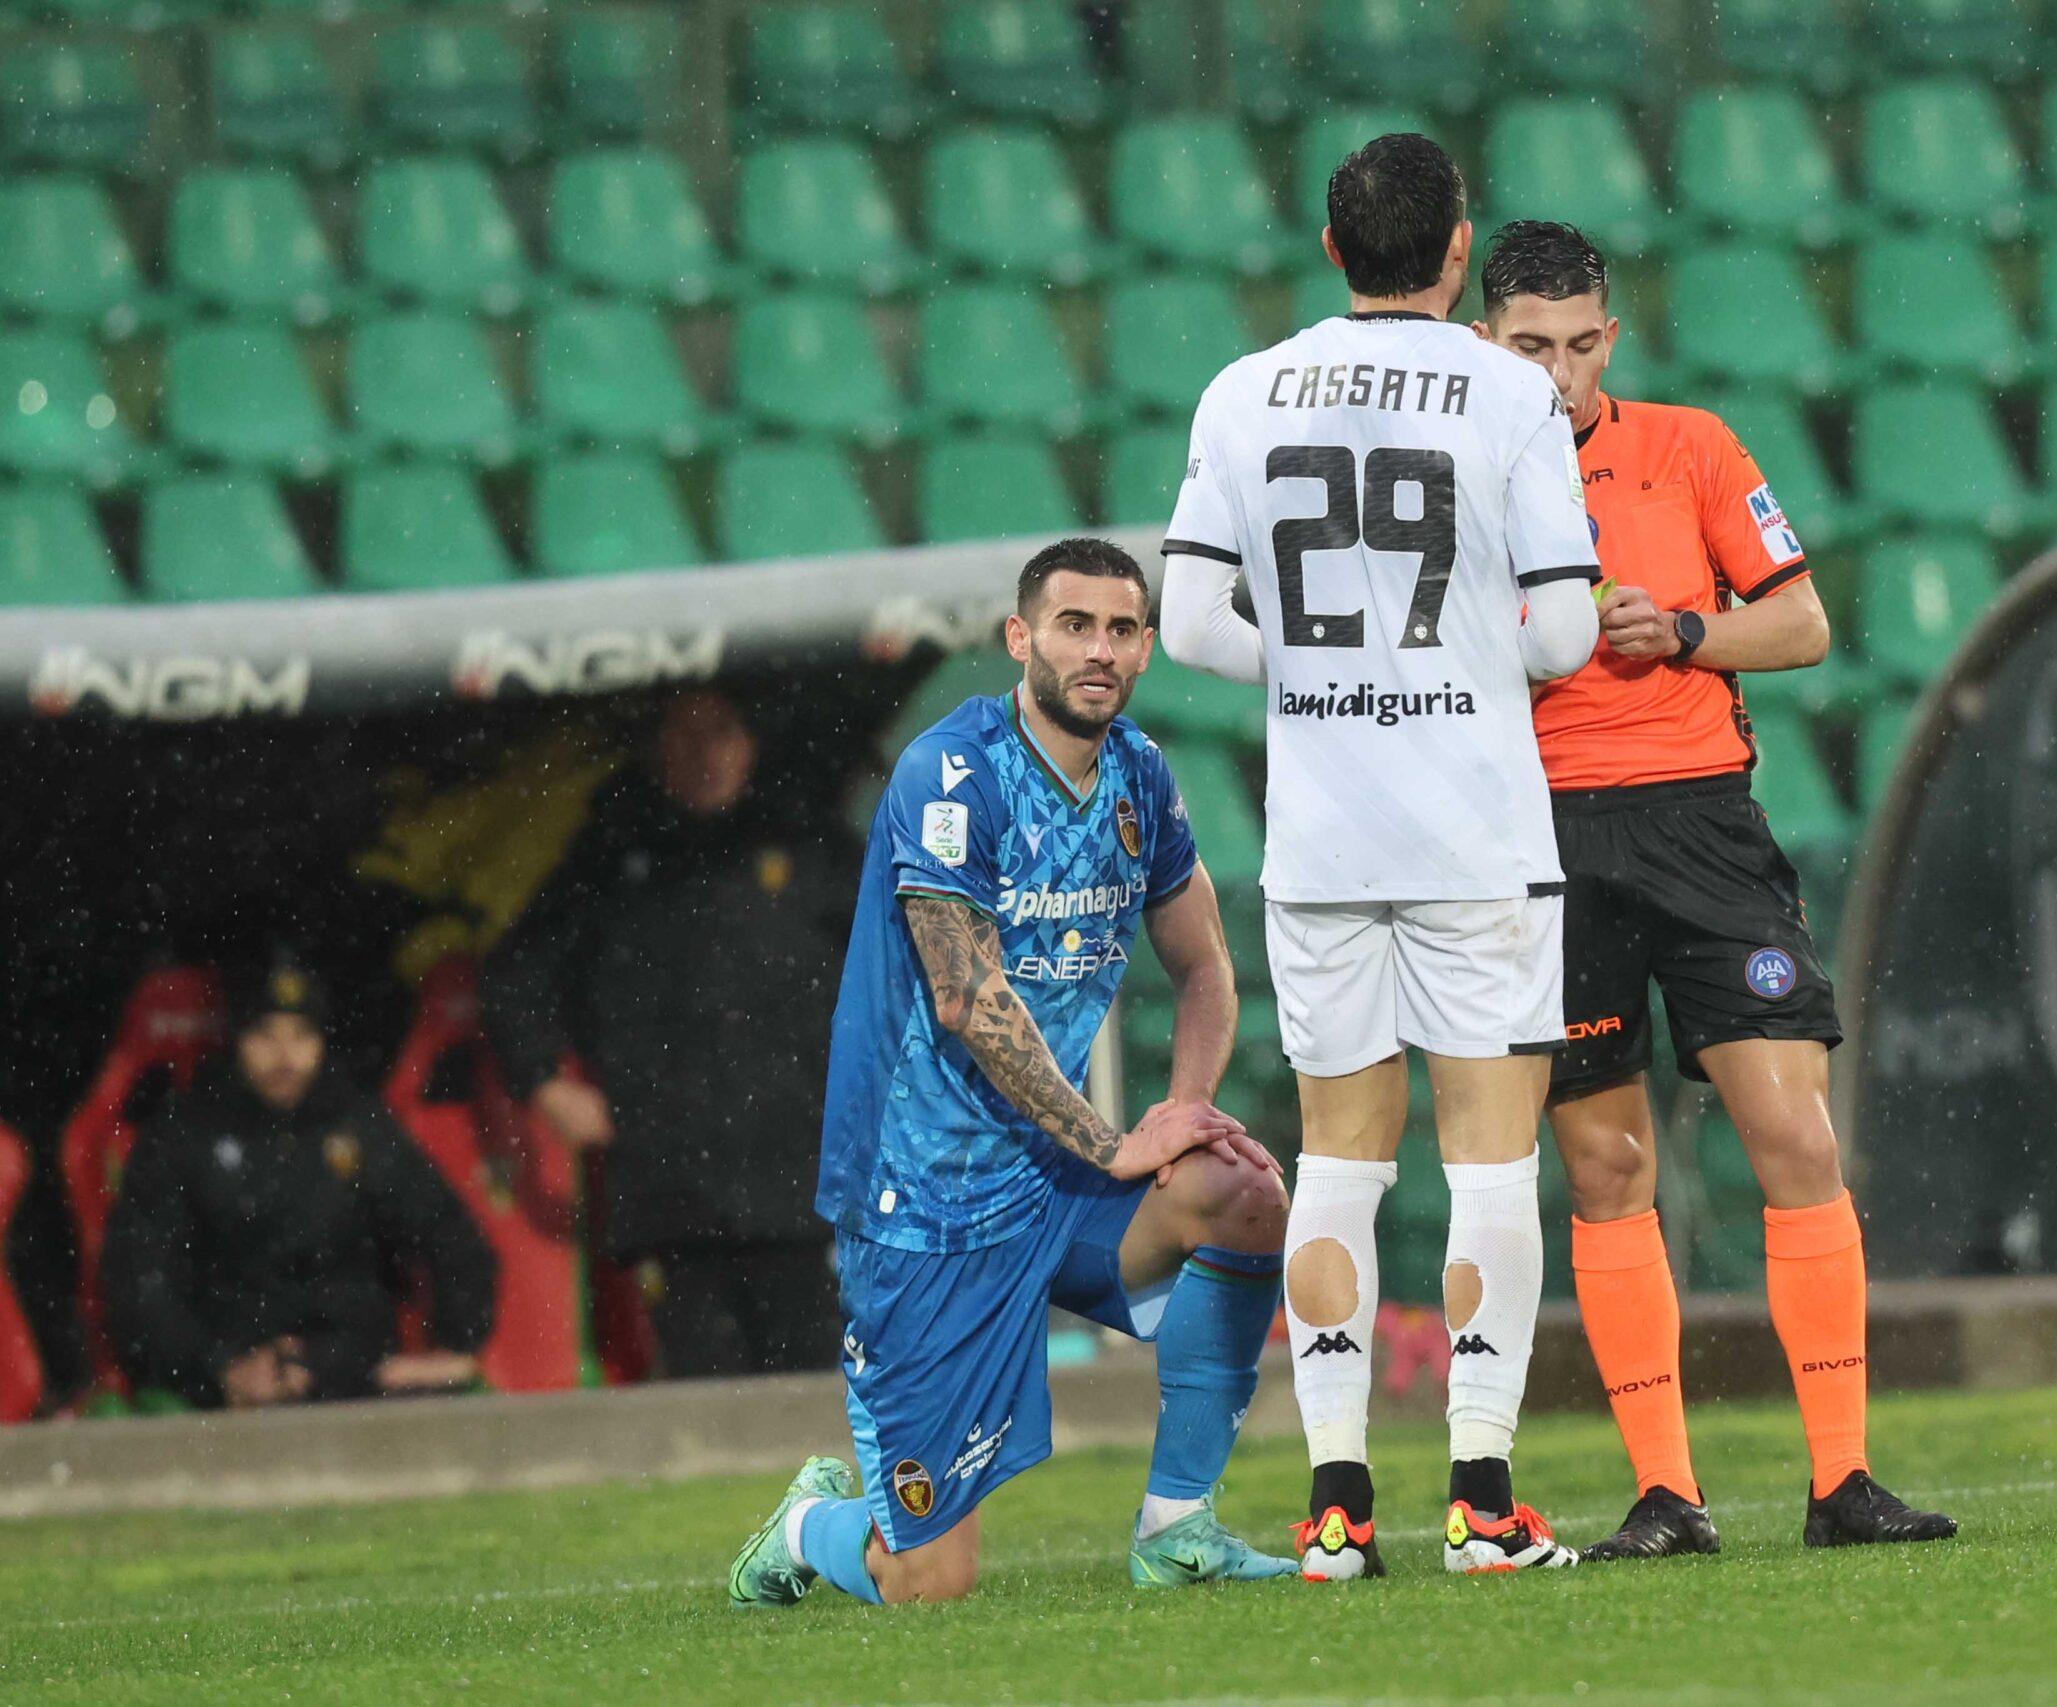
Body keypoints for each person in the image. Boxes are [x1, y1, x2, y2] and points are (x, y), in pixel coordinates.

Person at [1475, 219, 1958, 1560]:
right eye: (1531, 348)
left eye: (1582, 345)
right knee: (1609, 1161)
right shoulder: (1454, 474)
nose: (1561, 375)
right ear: (1482, 343)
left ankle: (1844, 1477)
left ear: (1611, 338)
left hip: (1700, 826)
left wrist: (1685, 632)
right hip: (1542, 836)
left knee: (1795, 1138)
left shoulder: (1690, 446)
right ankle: (1666, 1492)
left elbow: (1800, 625)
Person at [1157, 132, 1601, 1579]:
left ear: (1334, 248)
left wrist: (1316, 676)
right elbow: (1570, 629)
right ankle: (1482, 1498)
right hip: (1474, 823)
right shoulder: (1512, 392)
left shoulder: (1243, 391)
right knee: (1488, 1162)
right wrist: (1462, 663)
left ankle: (1337, 1507)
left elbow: (1187, 624)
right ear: (1461, 250)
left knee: (1338, 1157)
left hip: (1325, 830)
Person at [727, 538, 1295, 1609]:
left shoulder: (1140, 775)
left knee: (1242, 1194)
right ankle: (811, 1525)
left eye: (1123, 629)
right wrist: (1116, 1141)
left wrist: (1183, 1111)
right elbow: (966, 997)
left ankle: (1178, 1528)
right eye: (1075, 625)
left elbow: (1206, 968)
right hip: (922, 1206)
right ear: (1019, 639)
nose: (1102, 650)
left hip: (1057, 1182)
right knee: (929, 1582)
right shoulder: (950, 775)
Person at [481, 686, 855, 1380]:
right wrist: (544, 1082)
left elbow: (908, 962)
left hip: (803, 1181)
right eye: (684, 735)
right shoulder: (611, 857)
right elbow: (514, 974)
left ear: (750, 743)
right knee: (704, 1402)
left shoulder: (813, 847)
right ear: (655, 748)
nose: (703, 754)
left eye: (720, 732)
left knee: (818, 1395)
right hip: (671, 1186)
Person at [102, 954, 494, 1409]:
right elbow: (138, 1276)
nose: (285, 1057)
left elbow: (452, 1235)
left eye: (302, 1036)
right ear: (237, 1039)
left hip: (355, 1370)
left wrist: (454, 1348)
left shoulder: (357, 1123)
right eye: (266, 1035)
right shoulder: (185, 1131)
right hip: (230, 1371)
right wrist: (214, 1368)